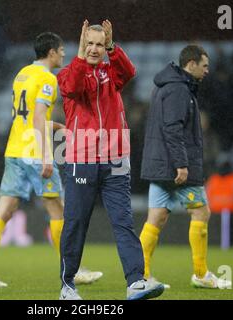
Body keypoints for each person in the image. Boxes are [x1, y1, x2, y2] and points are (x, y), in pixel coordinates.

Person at [0, 32, 102, 288]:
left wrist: (56, 126)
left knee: (5, 209)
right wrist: (46, 156)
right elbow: (38, 116)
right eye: (62, 50)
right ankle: (72, 270)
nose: (64, 54)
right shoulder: (47, 79)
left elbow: (28, 115)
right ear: (52, 52)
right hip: (35, 153)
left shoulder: (22, 74)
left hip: (14, 150)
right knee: (57, 210)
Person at [57, 20, 164, 300]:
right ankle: (67, 285)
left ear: (105, 47)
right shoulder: (68, 73)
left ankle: (135, 282)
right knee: (76, 222)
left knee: (123, 222)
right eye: (89, 43)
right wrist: (81, 55)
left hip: (116, 158)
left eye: (99, 44)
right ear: (82, 45)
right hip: (82, 159)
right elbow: (73, 87)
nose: (94, 49)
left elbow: (129, 71)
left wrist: (114, 47)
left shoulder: (110, 73)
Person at [139, 45, 232, 289]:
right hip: (175, 167)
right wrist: (181, 163)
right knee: (201, 212)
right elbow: (173, 128)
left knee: (156, 218)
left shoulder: (167, 86)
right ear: (191, 64)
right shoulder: (180, 89)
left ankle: (142, 275)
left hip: (161, 166)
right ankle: (200, 274)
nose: (207, 70)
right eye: (204, 65)